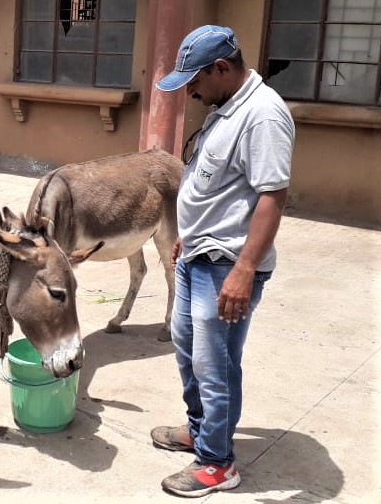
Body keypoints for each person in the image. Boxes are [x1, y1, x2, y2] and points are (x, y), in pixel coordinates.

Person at [152, 25, 295, 497]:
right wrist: (186, 238)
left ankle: (217, 464)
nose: (190, 90)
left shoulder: (263, 116)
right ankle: (200, 431)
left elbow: (272, 196)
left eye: (194, 80)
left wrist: (244, 268)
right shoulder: (226, 106)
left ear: (221, 68)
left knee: (216, 367)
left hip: (226, 265)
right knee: (190, 355)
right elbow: (216, 186)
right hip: (198, 255)